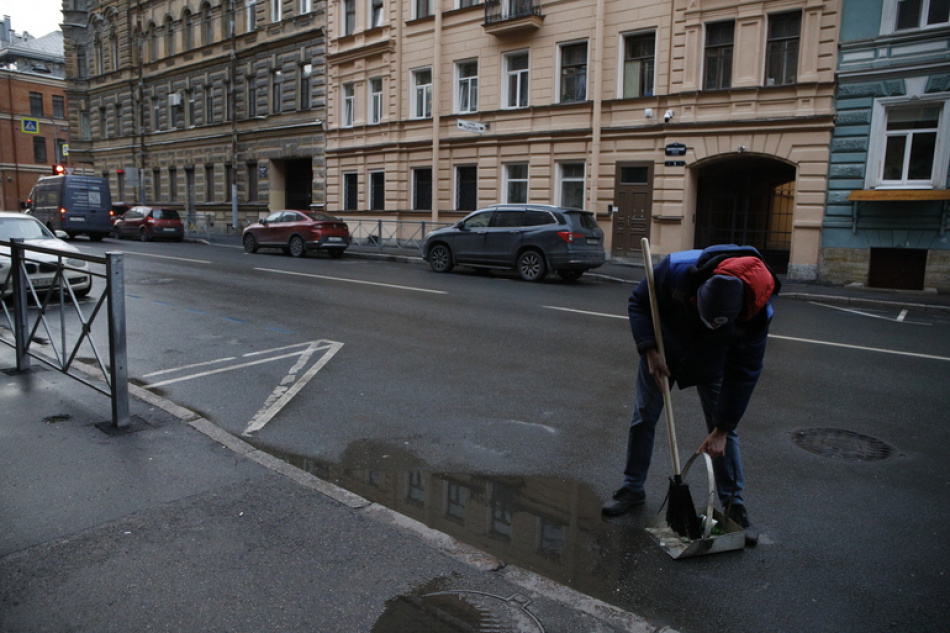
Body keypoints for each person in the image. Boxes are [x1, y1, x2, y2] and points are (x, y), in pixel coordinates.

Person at [602, 244, 780, 546]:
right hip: (663, 349)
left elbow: (745, 372)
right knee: (644, 416)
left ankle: (734, 503)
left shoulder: (757, 313)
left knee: (724, 431)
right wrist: (648, 348)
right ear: (697, 295)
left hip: (713, 361)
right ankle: (632, 488)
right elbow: (639, 302)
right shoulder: (675, 269)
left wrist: (721, 428)